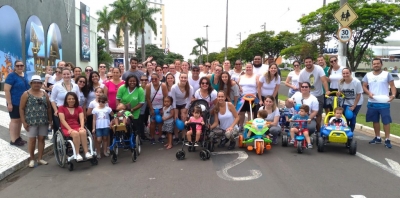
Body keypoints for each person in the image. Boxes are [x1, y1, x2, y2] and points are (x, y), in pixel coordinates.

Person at [362, 58, 396, 148]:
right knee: (375, 120)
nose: (376, 65)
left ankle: (388, 139)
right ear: (372, 65)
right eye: (374, 64)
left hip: (384, 102)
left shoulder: (386, 74)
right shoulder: (368, 75)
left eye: (377, 63)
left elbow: (392, 86)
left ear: (381, 64)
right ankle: (377, 137)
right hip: (372, 102)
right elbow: (364, 86)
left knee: (386, 121)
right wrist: (369, 93)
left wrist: (393, 95)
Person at [20, 75, 52, 167]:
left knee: (42, 139)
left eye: (39, 83)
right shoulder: (26, 94)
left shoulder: (44, 93)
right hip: (31, 121)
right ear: (31, 83)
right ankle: (31, 159)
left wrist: (50, 120)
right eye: (35, 82)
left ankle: (40, 158)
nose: (37, 84)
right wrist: (24, 122)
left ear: (41, 84)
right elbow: (21, 109)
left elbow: (49, 108)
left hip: (43, 120)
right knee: (32, 140)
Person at [298, 56, 330, 133]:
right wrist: (301, 95)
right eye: (306, 62)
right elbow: (300, 84)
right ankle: (305, 128)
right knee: (305, 112)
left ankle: (318, 130)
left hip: (319, 94)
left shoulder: (319, 69)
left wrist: (327, 91)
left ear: (313, 62)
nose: (308, 63)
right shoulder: (302, 72)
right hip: (307, 95)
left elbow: (324, 81)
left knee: (318, 114)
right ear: (304, 63)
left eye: (310, 62)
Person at [58, 92, 92, 161]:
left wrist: (82, 127)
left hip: (76, 126)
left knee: (82, 132)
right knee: (75, 133)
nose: (71, 100)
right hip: (66, 127)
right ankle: (77, 154)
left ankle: (86, 152)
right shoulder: (61, 108)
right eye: (69, 99)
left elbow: (81, 118)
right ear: (66, 100)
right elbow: (62, 120)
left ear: (76, 100)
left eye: (73, 99)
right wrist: (69, 129)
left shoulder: (79, 108)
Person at [5, 60, 30, 146]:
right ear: (15, 67)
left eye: (21, 65)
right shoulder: (11, 76)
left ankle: (18, 137)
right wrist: (9, 103)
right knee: (14, 120)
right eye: (17, 65)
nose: (19, 67)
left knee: (20, 120)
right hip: (14, 102)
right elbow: (6, 90)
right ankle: (13, 139)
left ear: (23, 66)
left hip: (23, 102)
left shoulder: (25, 74)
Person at [116, 75, 145, 142]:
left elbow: (141, 102)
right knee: (124, 125)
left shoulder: (140, 89)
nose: (132, 82)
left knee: (134, 126)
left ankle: (136, 139)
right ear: (127, 82)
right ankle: (125, 139)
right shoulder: (122, 88)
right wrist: (119, 107)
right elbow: (118, 99)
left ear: (137, 82)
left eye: (134, 81)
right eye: (130, 81)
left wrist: (132, 109)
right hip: (122, 110)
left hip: (134, 110)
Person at [50, 68, 79, 132]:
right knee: (60, 129)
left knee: (74, 127)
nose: (66, 76)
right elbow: (52, 99)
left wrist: (77, 110)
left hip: (72, 110)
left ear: (71, 74)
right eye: (64, 74)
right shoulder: (57, 86)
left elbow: (78, 99)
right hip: (61, 110)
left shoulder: (75, 86)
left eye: (68, 74)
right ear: (62, 75)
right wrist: (55, 110)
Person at [170, 73, 194, 144]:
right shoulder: (174, 87)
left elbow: (189, 100)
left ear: (187, 79)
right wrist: (175, 112)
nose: (183, 79)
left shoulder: (190, 88)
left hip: (184, 104)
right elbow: (173, 100)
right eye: (182, 77)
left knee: (184, 119)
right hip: (175, 104)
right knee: (176, 119)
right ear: (179, 78)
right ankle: (176, 137)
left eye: (185, 78)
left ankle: (183, 137)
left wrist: (185, 111)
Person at [146, 73, 168, 144]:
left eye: (156, 79)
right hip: (152, 107)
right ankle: (152, 137)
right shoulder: (148, 86)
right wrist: (151, 109)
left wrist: (163, 108)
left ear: (159, 78)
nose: (154, 80)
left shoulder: (163, 85)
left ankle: (160, 137)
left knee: (160, 123)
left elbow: (165, 97)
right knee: (153, 123)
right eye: (152, 79)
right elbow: (148, 99)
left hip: (161, 107)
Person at [238, 63, 259, 129]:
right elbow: (238, 85)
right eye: (247, 67)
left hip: (252, 98)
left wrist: (257, 96)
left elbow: (258, 87)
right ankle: (240, 126)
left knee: (250, 113)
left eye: (250, 67)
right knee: (241, 113)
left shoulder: (256, 76)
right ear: (245, 68)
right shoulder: (241, 76)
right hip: (242, 98)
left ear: (252, 68)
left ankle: (249, 127)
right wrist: (239, 88)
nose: (248, 68)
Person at [92, 94, 113, 159]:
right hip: (98, 126)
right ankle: (98, 152)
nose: (101, 103)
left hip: (106, 125)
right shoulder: (95, 109)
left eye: (103, 102)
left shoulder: (108, 109)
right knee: (98, 139)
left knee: (105, 138)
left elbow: (113, 116)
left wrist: (111, 123)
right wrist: (93, 128)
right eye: (99, 101)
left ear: (106, 102)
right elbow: (94, 119)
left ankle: (105, 151)